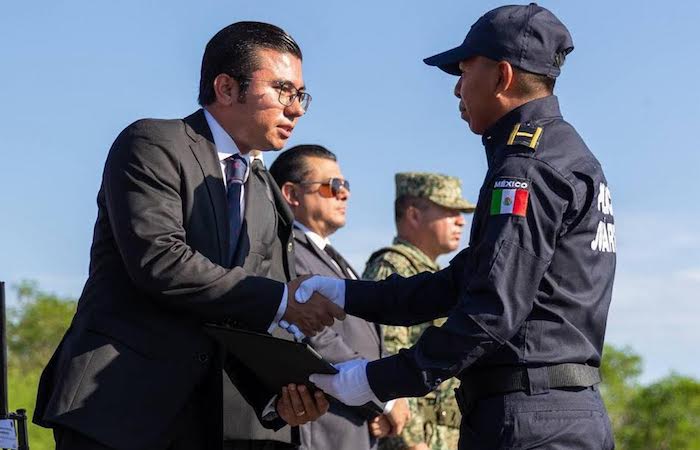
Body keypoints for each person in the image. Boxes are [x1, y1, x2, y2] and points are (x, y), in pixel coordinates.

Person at [302, 4, 617, 449]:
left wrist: (376, 379)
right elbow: (463, 280)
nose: (456, 89)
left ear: (502, 76)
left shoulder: (526, 168)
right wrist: (347, 295)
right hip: (557, 412)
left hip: (528, 419)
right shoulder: (565, 154)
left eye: (464, 72)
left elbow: (492, 308)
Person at [33, 21, 345, 450]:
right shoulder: (153, 144)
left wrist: (280, 394)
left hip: (213, 425)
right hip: (120, 411)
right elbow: (160, 261)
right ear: (226, 88)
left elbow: (252, 308)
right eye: (283, 90)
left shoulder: (266, 191)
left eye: (301, 95)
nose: (297, 109)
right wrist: (279, 299)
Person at [270, 144, 411, 450]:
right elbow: (314, 334)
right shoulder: (287, 252)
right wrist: (383, 395)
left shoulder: (336, 259)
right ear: (292, 194)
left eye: (345, 184)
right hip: (324, 426)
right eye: (332, 185)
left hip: (355, 425)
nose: (344, 193)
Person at [363, 172, 474, 450]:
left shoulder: (436, 275)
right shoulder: (393, 267)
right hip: (414, 439)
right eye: (449, 211)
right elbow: (385, 353)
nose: (461, 220)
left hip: (442, 436)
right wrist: (410, 441)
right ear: (413, 214)